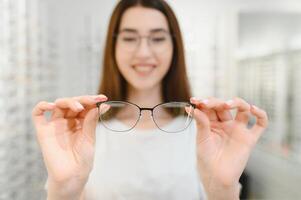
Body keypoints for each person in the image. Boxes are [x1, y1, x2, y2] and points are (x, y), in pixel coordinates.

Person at [31, 0, 268, 199]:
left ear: (175, 46)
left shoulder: (203, 132)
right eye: (130, 38)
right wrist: (63, 190)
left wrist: (223, 191)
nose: (143, 52)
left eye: (157, 38)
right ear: (113, 46)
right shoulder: (84, 133)